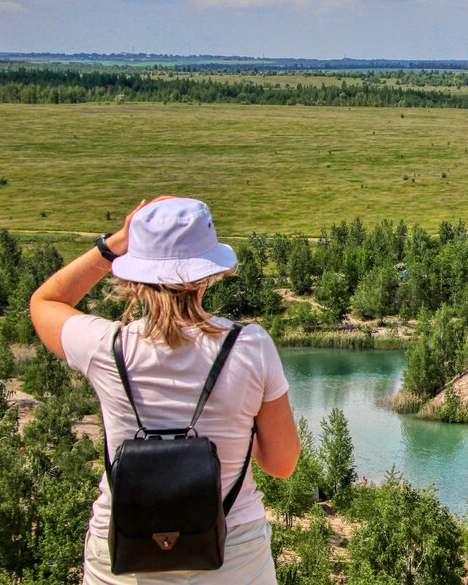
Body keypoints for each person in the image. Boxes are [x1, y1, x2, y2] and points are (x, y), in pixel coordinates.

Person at [30, 197, 301, 584]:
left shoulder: (104, 346)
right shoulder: (250, 346)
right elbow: (282, 463)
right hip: (232, 553)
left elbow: (46, 301)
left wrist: (115, 243)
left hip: (125, 549)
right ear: (209, 274)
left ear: (133, 275)